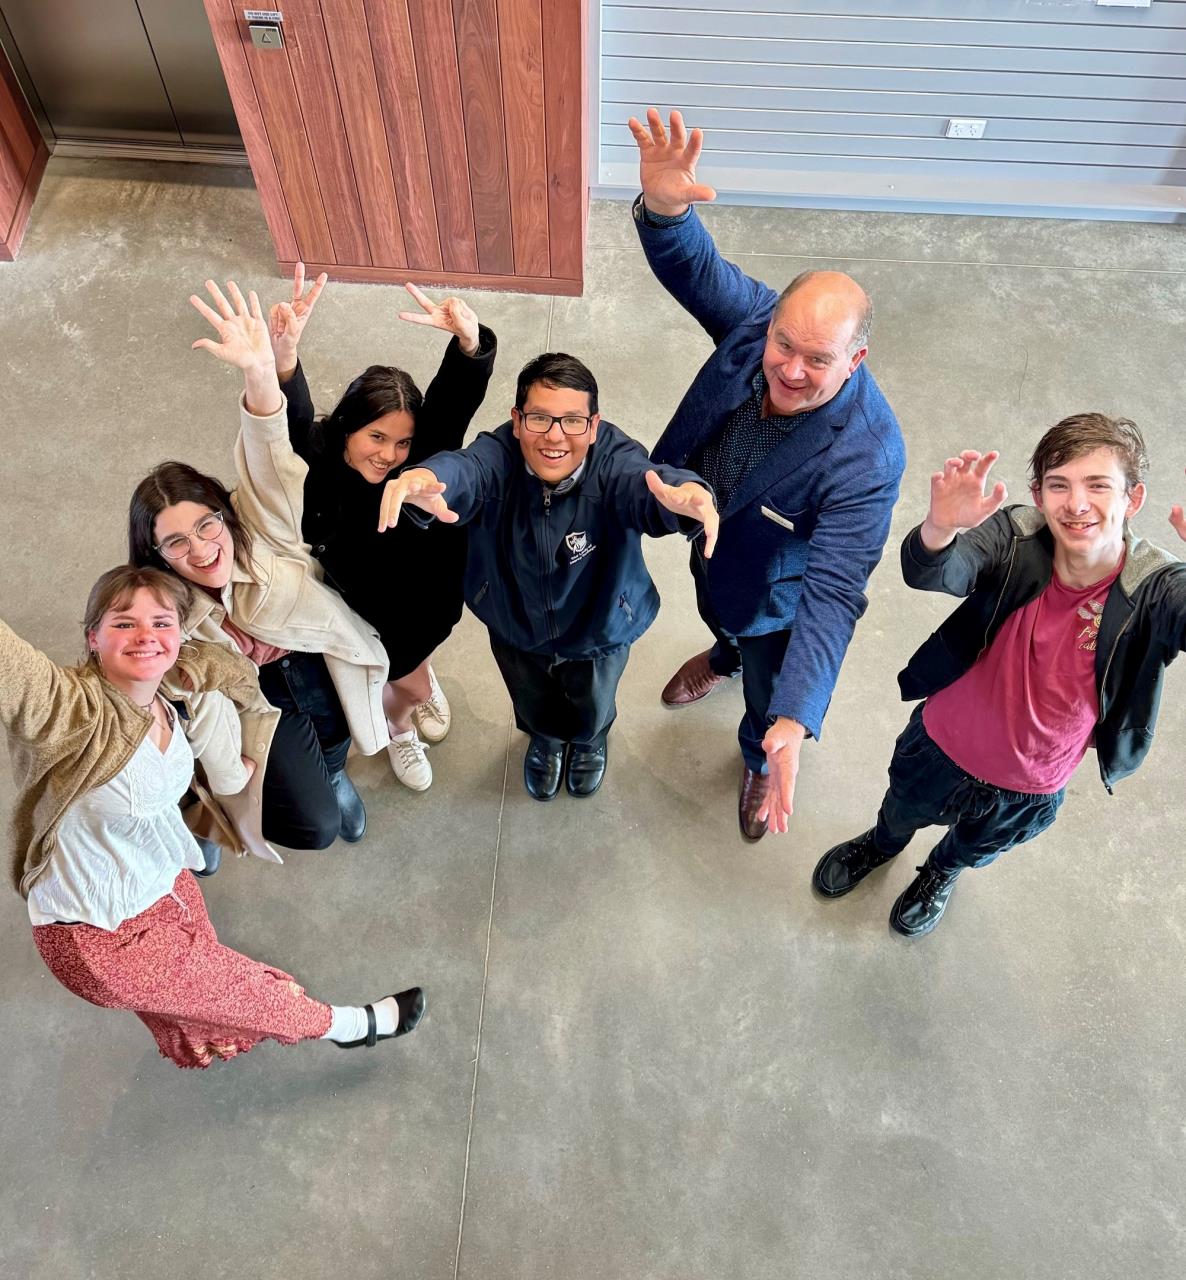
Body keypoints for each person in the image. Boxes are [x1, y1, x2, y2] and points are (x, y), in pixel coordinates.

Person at [1, 564, 423, 1069]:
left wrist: (239, 753)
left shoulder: (176, 682)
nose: (146, 637)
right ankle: (354, 1026)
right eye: (122, 623)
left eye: (161, 623)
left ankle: (200, 1044)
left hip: (164, 880)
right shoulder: (68, 712)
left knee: (195, 994)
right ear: (93, 636)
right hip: (96, 934)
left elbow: (234, 674)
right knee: (252, 994)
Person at [627, 107, 906, 842]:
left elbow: (836, 590)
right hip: (709, 532)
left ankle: (754, 750)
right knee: (717, 611)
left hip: (776, 598)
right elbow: (696, 268)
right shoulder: (758, 323)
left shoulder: (869, 456)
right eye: (785, 343)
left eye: (818, 360)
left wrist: (794, 716)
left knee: (765, 680)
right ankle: (718, 653)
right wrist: (664, 208)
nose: (789, 367)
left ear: (856, 361)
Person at [813, 415, 1186, 937]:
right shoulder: (1016, 533)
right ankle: (880, 844)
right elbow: (936, 571)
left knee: (973, 846)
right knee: (900, 809)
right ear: (1038, 493)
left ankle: (939, 874)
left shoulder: (1157, 587)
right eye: (1059, 485)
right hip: (941, 741)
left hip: (1032, 782)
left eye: (1098, 485)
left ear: (1133, 498)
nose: (1077, 504)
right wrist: (941, 528)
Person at [377, 352, 718, 800]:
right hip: (515, 622)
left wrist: (686, 497)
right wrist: (425, 478)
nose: (555, 436)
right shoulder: (498, 454)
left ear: (594, 427)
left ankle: (589, 740)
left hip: (599, 628)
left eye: (573, 421)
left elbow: (647, 484)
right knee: (530, 697)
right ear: (517, 421)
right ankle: (547, 740)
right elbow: (466, 470)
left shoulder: (613, 461)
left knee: (594, 703)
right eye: (540, 418)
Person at [129, 279, 391, 856]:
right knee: (313, 824)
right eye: (175, 544)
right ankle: (219, 814)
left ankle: (335, 771)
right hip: (256, 701)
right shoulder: (162, 605)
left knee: (335, 731)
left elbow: (269, 457)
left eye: (206, 525)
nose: (199, 550)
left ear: (225, 515)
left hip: (314, 657)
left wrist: (258, 373)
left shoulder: (259, 528)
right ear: (155, 555)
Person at [268, 266, 497, 792]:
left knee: (419, 660)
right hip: (373, 609)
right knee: (405, 683)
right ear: (348, 425)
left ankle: (419, 680)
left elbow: (453, 401)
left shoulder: (417, 458)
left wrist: (468, 343)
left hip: (433, 593)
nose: (389, 455)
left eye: (401, 443)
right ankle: (399, 725)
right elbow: (290, 420)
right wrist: (284, 361)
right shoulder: (319, 458)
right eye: (377, 436)